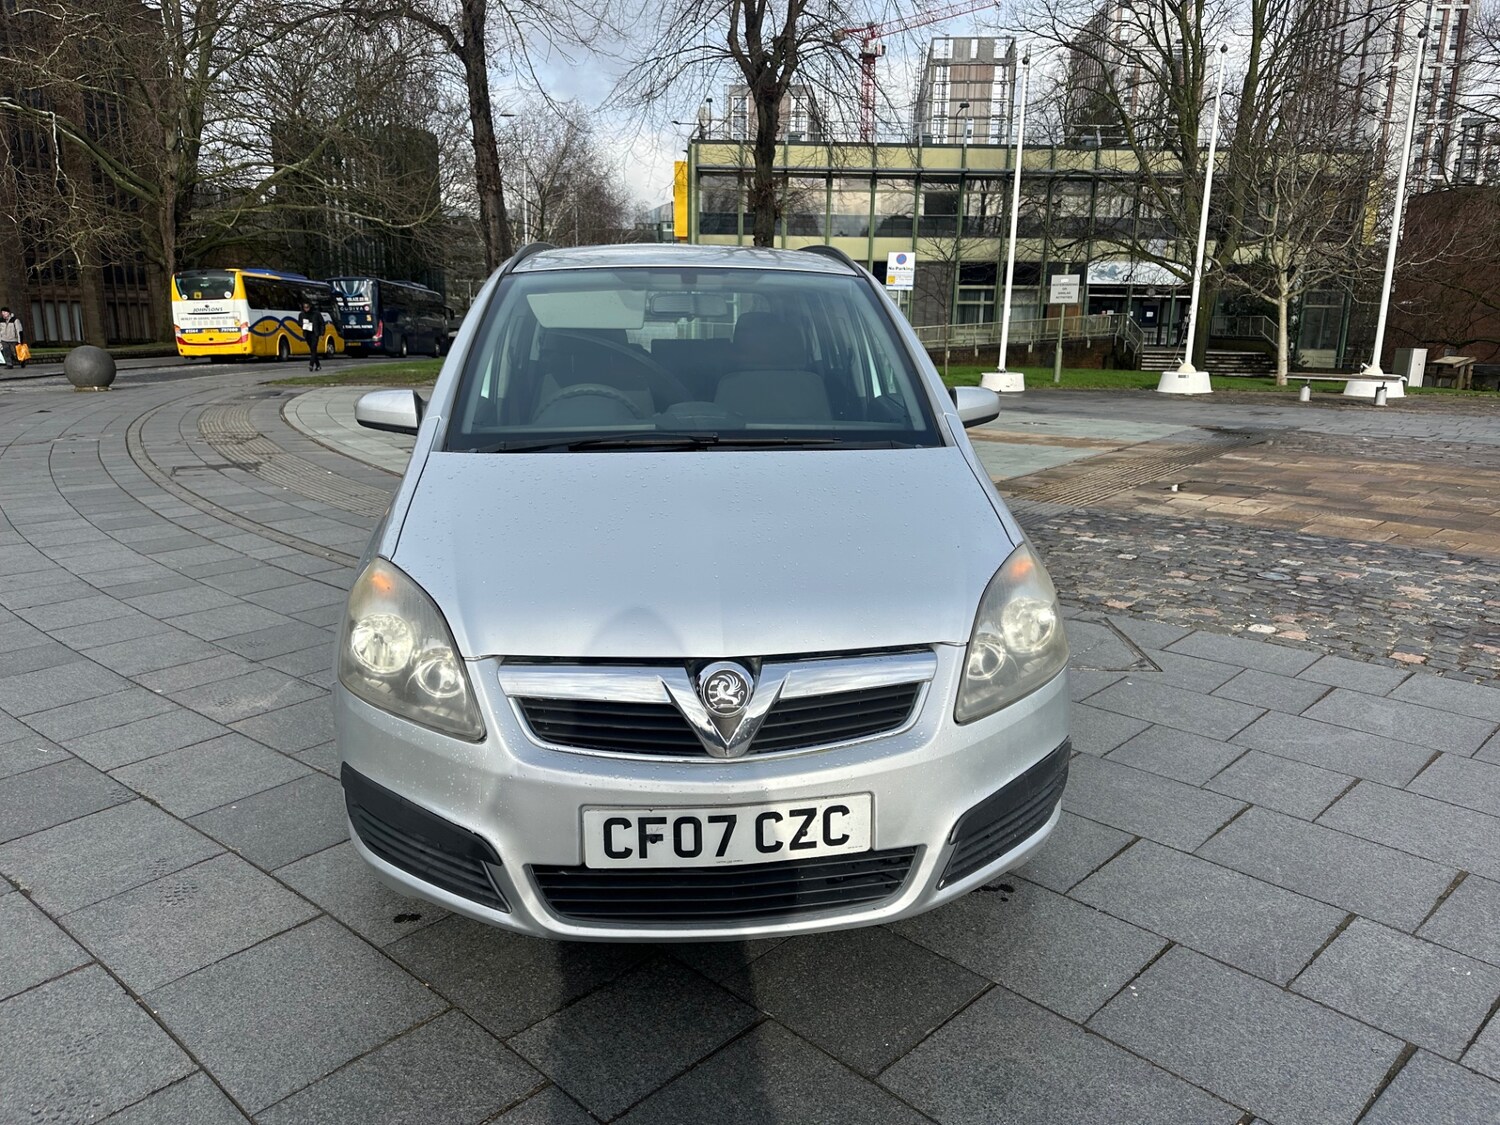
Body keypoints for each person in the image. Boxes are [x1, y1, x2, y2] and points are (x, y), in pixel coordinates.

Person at [298, 300, 326, 371]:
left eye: (307, 307)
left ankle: (311, 364)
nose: (306, 309)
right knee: (312, 350)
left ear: (310, 307)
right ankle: (318, 365)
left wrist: (322, 333)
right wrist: (304, 324)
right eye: (304, 307)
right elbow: (299, 323)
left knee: (313, 349)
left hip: (315, 333)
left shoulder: (316, 314)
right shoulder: (301, 314)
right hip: (307, 334)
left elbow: (322, 323)